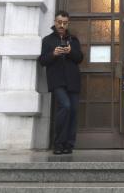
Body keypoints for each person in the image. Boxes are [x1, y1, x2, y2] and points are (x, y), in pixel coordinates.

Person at [39, 10, 83, 154]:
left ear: (67, 23)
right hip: (57, 81)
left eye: (64, 23)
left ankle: (69, 144)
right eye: (59, 22)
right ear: (55, 22)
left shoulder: (73, 40)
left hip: (73, 81)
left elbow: (80, 58)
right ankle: (58, 143)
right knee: (65, 106)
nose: (62, 25)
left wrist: (70, 52)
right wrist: (53, 54)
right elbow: (42, 61)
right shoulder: (48, 40)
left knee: (73, 111)